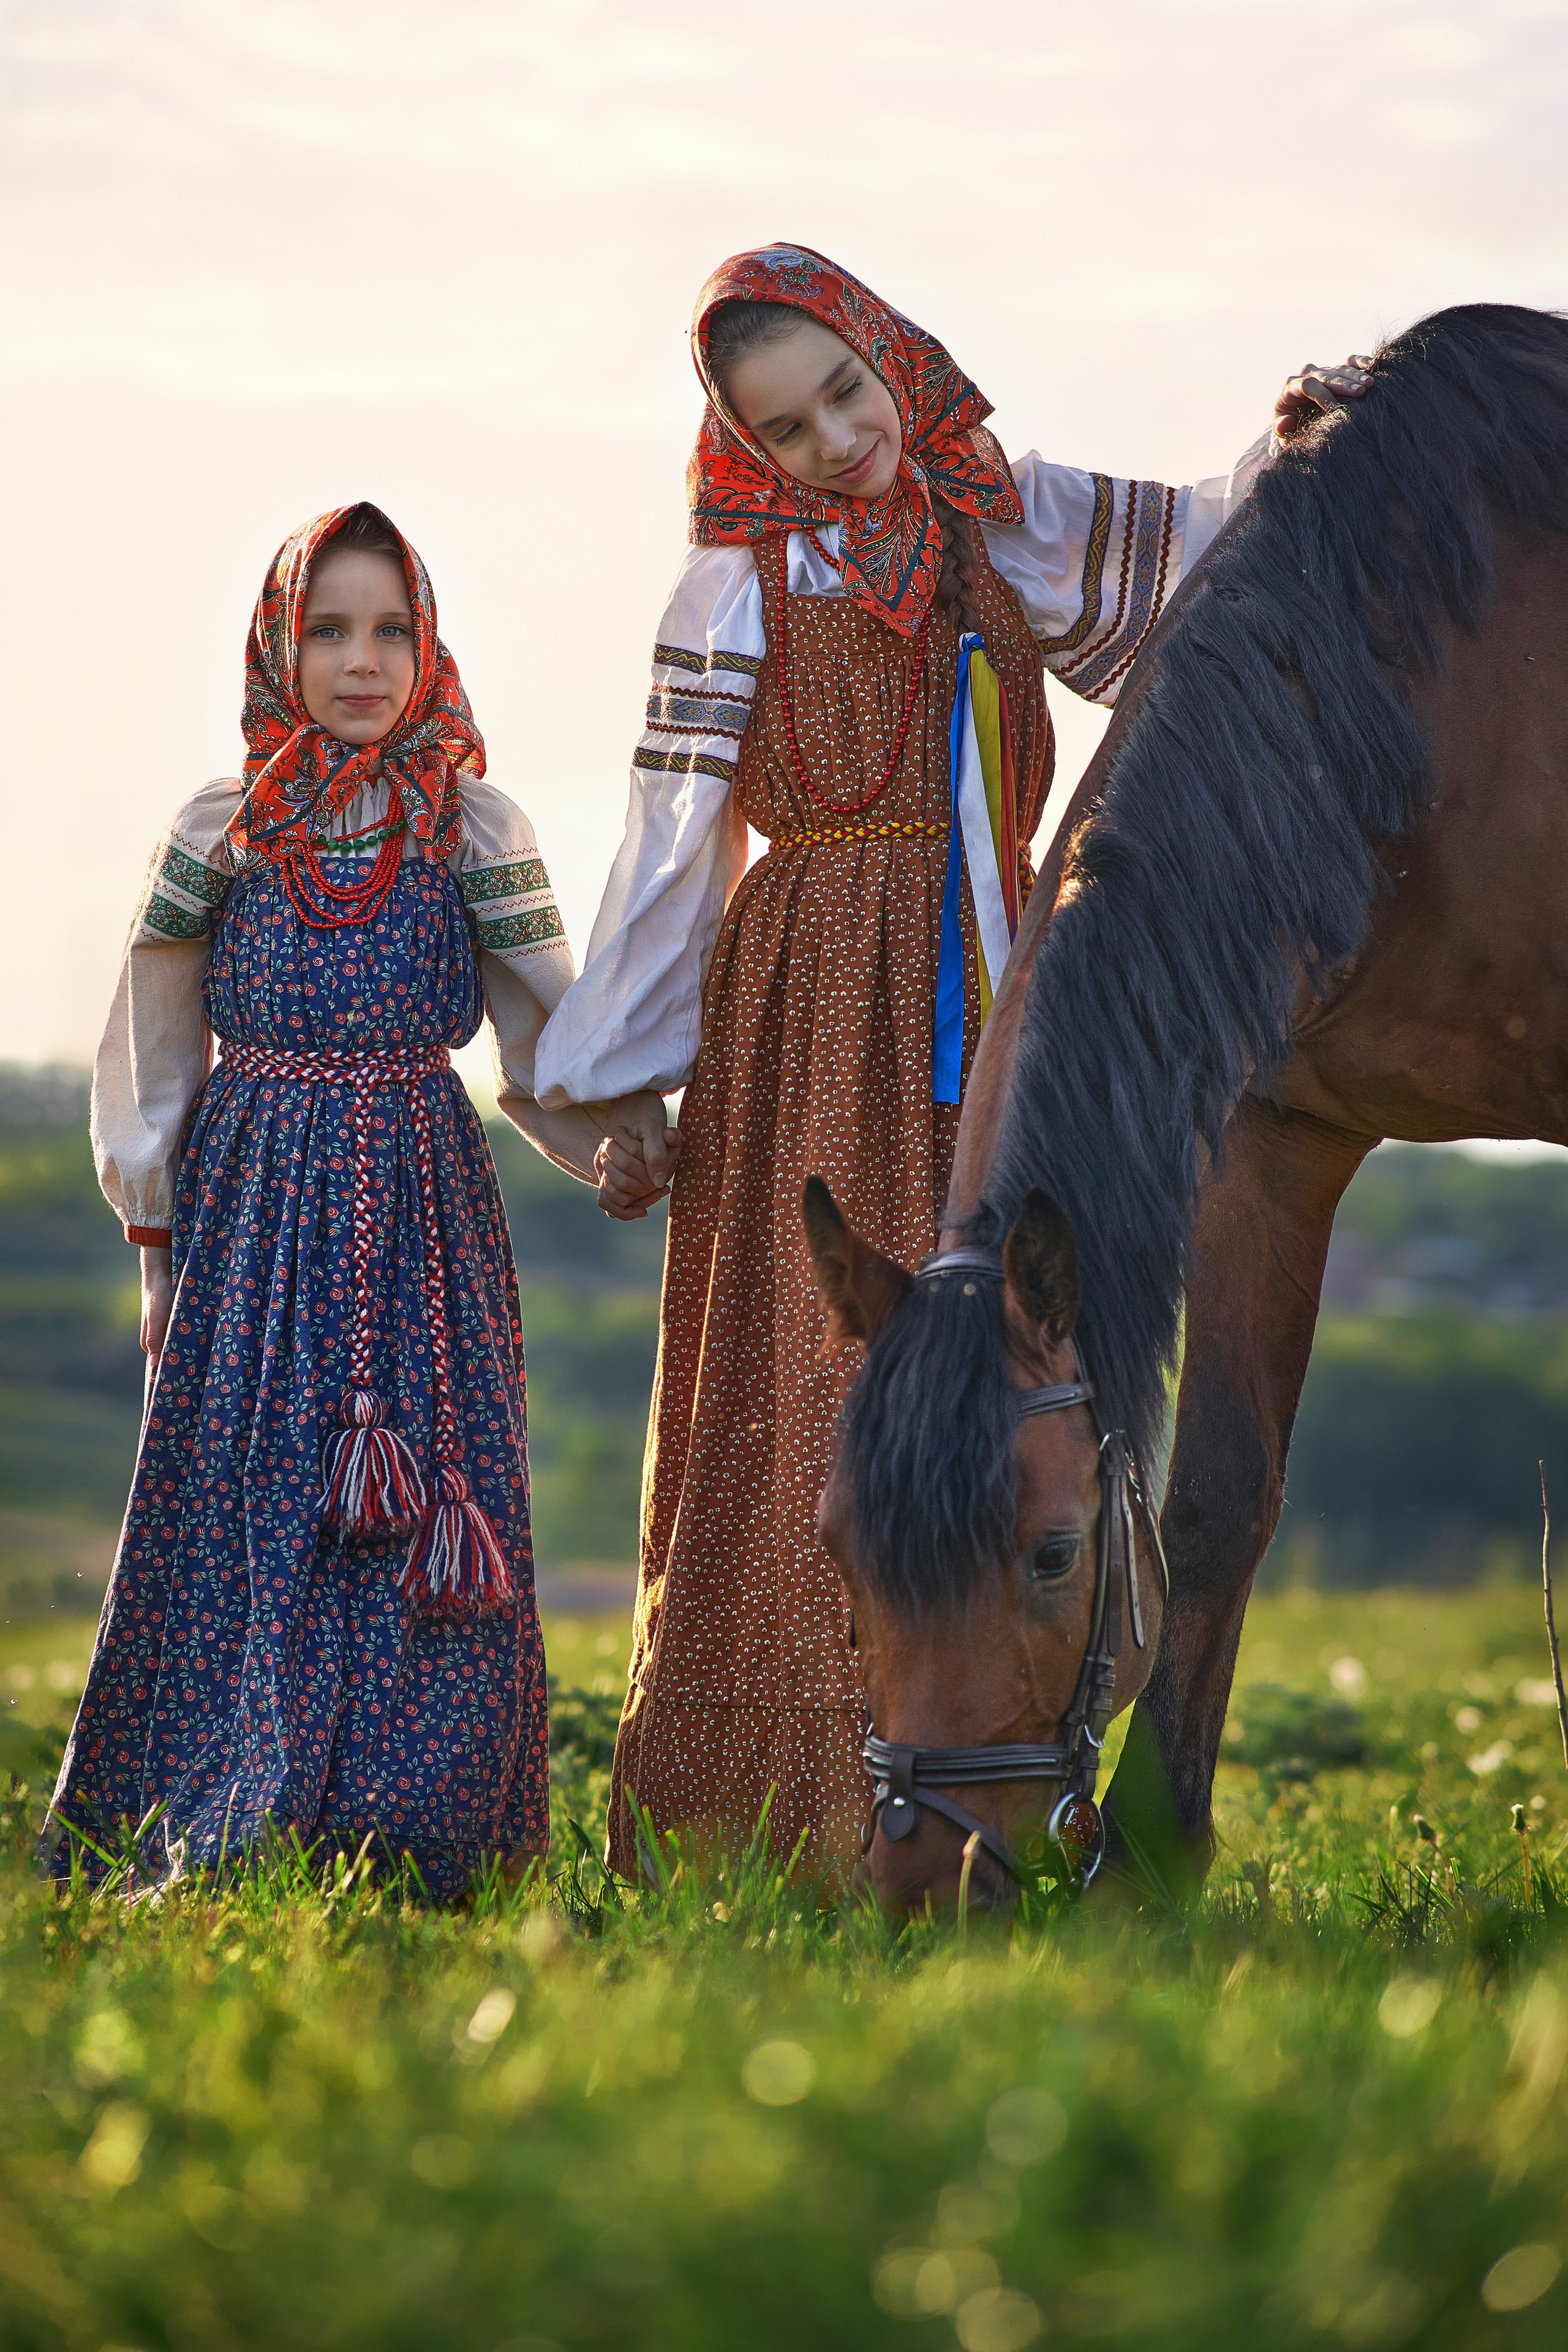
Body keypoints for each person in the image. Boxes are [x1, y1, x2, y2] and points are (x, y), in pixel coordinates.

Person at [533, 243, 1370, 1882]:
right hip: (804, 984)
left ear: (893, 360)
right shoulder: (734, 585)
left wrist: (1303, 448)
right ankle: (769, 1816)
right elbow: (672, 835)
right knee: (801, 1354)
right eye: (787, 430)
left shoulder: (999, 511)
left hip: (988, 976)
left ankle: (995, 1783)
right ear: (744, 452)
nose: (836, 441)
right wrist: (615, 1073)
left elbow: (1221, 551)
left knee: (998, 1348)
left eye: (846, 392)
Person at [48, 501, 635, 1898]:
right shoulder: (227, 828)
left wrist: (615, 1136)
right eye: (328, 630)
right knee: (248, 1494)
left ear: (426, 646)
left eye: (389, 630)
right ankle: (218, 1807)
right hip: (250, 1201)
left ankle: (417, 1838)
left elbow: (542, 1032)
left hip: (421, 1197)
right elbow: (154, 1040)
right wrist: (152, 1243)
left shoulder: (470, 826)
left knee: (437, 1489)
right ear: (278, 644)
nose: (360, 662)